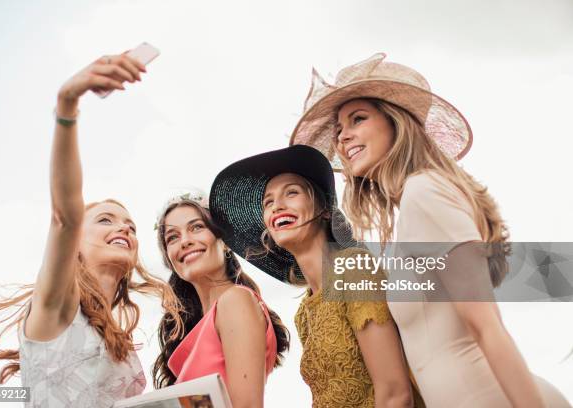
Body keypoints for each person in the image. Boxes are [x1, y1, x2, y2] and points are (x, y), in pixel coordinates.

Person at [289, 52, 571, 407]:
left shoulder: (425, 193)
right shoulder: (407, 214)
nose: (343, 137)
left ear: (396, 123)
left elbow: (488, 327)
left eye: (357, 119)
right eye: (339, 129)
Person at [0, 51, 176, 407]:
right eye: (105, 220)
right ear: (75, 245)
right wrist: (67, 104)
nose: (124, 229)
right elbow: (64, 216)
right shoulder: (59, 305)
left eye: (130, 225)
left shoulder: (120, 342)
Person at [209, 145, 424, 407]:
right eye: (268, 202)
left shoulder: (354, 268)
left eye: (292, 192)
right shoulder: (304, 312)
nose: (277, 205)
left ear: (324, 209)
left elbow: (395, 394)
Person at [151, 193, 290, 408]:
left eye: (196, 227)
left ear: (225, 242)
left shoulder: (235, 301)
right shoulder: (198, 326)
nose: (185, 241)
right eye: (172, 237)